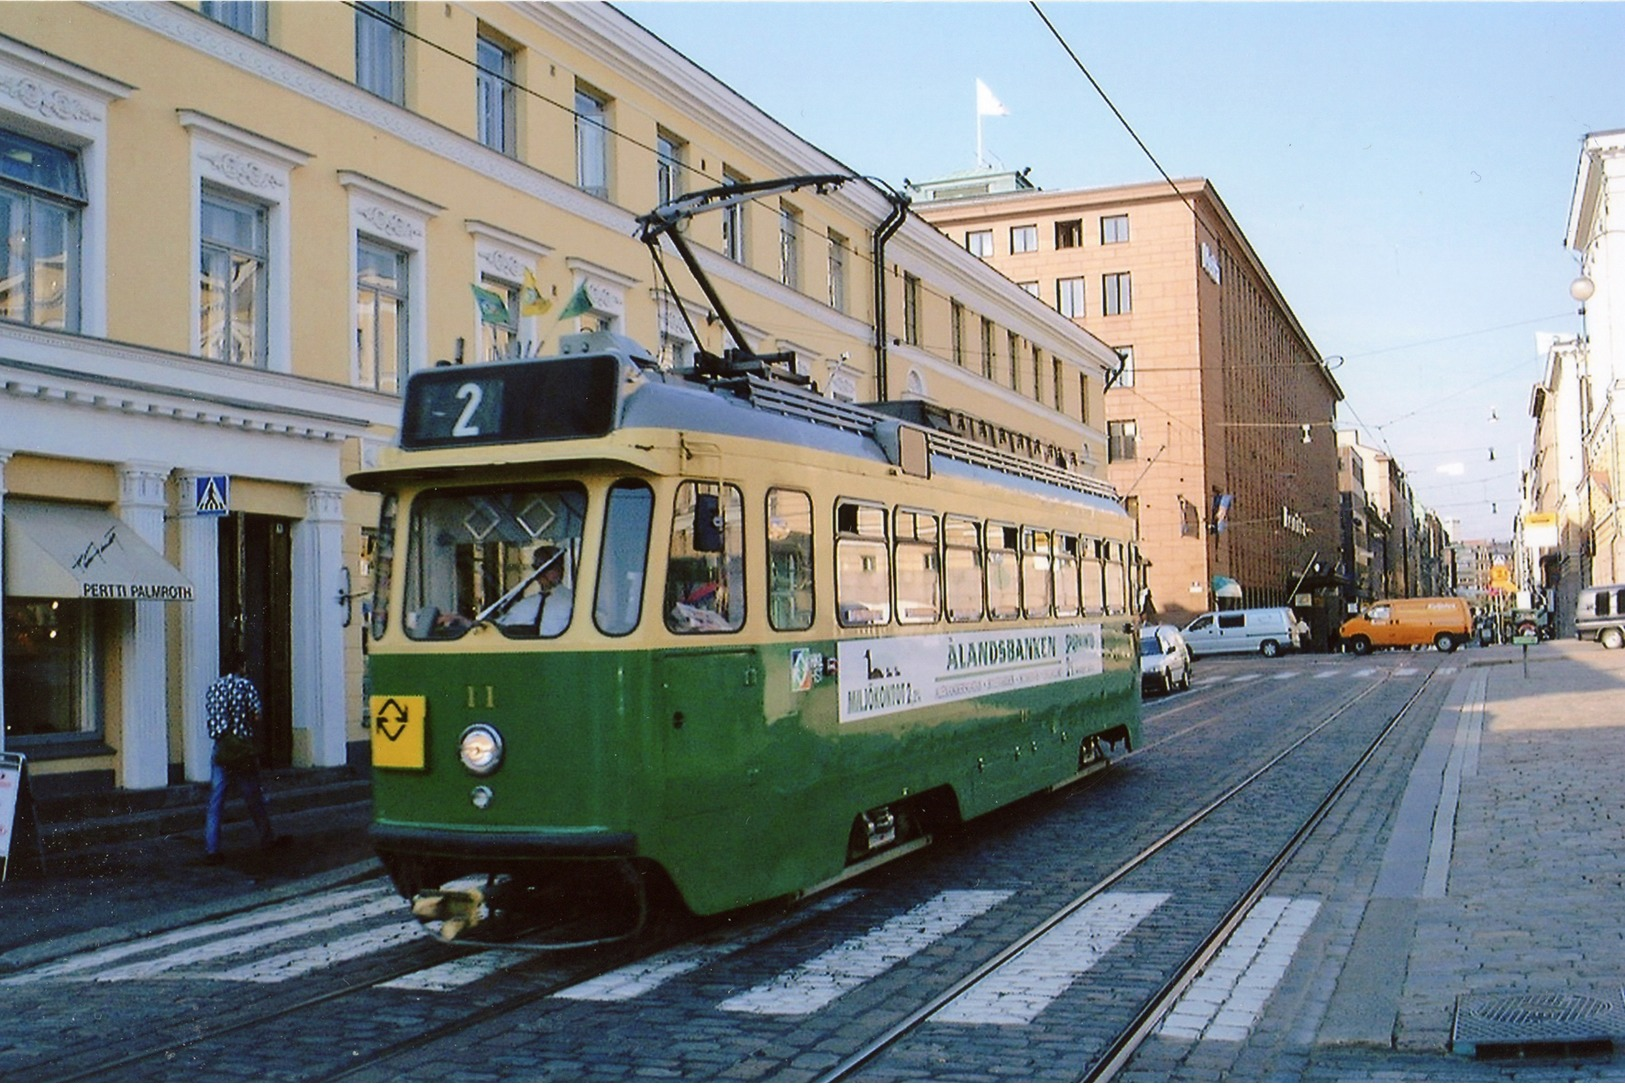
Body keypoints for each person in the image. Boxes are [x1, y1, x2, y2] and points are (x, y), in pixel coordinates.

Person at [203, 651, 282, 862]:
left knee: (216, 799)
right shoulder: (246, 686)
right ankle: (266, 837)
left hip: (221, 748)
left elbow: (211, 715)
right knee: (253, 796)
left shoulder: (213, 687)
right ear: (240, 666)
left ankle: (212, 849)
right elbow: (256, 715)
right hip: (242, 750)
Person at [500, 547, 573, 636]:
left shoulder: (573, 603)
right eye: (537, 568)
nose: (541, 574)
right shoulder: (525, 605)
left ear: (561, 569)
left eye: (549, 568)